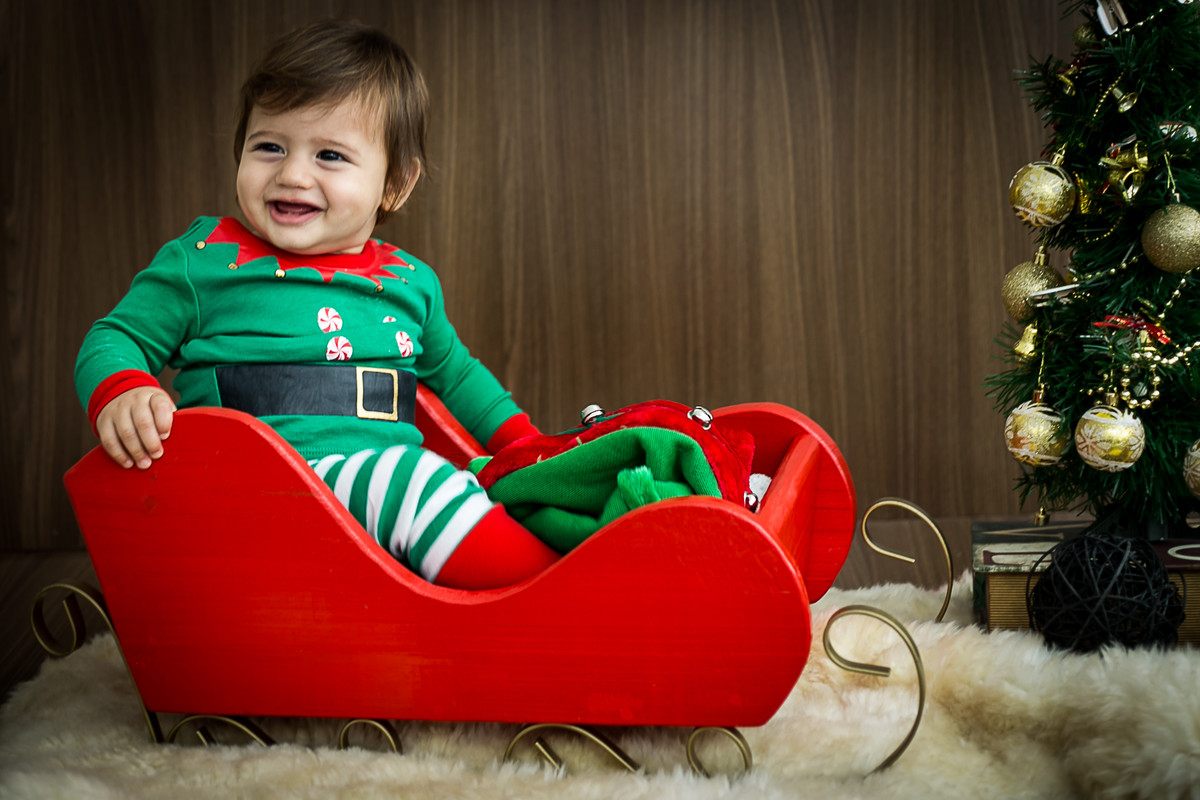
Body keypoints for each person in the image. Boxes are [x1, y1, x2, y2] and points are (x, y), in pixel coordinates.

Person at [74, 20, 560, 590]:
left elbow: (460, 380)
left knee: (475, 489)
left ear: (394, 185)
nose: (293, 173)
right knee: (417, 483)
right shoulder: (206, 261)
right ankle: (554, 596)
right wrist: (123, 388)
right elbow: (113, 337)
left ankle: (547, 588)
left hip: (371, 510)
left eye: (329, 154)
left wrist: (528, 451)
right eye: (269, 146)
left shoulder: (409, 282)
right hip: (252, 499)